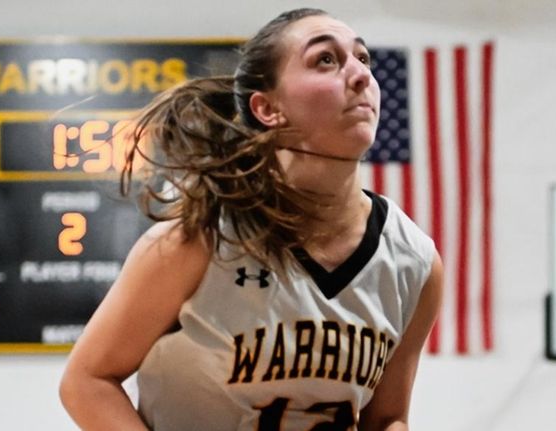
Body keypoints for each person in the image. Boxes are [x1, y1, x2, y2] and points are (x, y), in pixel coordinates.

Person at [59, 8, 443, 431]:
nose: (360, 76)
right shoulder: (198, 239)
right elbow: (87, 381)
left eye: (363, 59)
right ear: (267, 107)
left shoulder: (414, 260)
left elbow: (387, 417)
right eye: (326, 60)